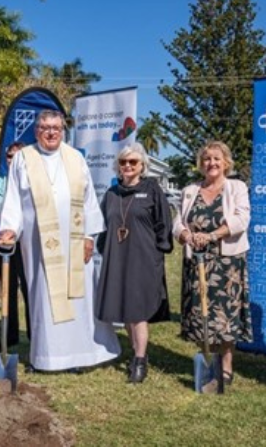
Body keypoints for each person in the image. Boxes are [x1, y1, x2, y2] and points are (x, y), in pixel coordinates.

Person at [0, 109, 120, 371]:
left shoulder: (75, 158)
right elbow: (14, 198)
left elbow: (88, 200)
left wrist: (88, 236)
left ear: (63, 130)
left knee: (78, 297)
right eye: (44, 127)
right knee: (43, 296)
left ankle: (80, 356)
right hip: (39, 242)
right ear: (36, 131)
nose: (51, 132)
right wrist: (9, 228)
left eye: (56, 127)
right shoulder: (23, 159)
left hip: (74, 242)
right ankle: (46, 356)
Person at [172, 140, 251, 390]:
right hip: (197, 262)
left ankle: (226, 367)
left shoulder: (236, 187)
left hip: (226, 262)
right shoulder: (189, 190)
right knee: (201, 314)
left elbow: (241, 219)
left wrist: (212, 235)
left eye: (217, 158)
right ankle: (207, 362)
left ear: (226, 162)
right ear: (200, 164)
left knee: (224, 316)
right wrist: (187, 236)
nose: (212, 163)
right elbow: (178, 224)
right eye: (207, 159)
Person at [96, 142, 173, 383]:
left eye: (133, 162)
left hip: (143, 257)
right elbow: (103, 227)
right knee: (125, 309)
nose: (128, 166)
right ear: (117, 166)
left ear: (142, 166)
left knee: (138, 310)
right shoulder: (111, 194)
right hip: (118, 257)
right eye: (123, 162)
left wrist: (158, 253)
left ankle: (139, 360)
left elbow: (164, 224)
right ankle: (138, 352)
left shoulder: (151, 190)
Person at [0, 141, 31, 347]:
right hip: (3, 243)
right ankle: (10, 336)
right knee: (8, 289)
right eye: (9, 156)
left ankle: (34, 335)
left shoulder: (31, 183)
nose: (13, 160)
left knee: (28, 288)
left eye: (18, 155)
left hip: (25, 243)